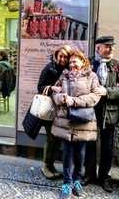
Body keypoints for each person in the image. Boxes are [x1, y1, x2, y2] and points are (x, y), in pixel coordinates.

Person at [52, 50, 106, 199]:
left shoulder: (91, 76)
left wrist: (74, 101)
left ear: (83, 61)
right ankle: (67, 183)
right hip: (66, 120)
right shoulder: (64, 75)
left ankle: (77, 180)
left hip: (83, 120)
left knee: (80, 154)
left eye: (75, 61)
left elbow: (95, 96)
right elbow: (54, 93)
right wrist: (60, 98)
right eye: (70, 62)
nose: (72, 64)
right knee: (67, 153)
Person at [84, 35, 119, 192]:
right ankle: (89, 174)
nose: (110, 49)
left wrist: (106, 91)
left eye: (112, 46)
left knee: (108, 146)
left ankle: (104, 177)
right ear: (98, 48)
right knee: (89, 143)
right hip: (90, 110)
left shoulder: (118, 66)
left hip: (110, 111)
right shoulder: (87, 63)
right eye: (107, 46)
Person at [37, 45, 73, 179]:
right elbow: (40, 86)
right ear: (56, 56)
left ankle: (51, 165)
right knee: (51, 137)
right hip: (51, 109)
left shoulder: (69, 69)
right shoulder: (49, 68)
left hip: (63, 110)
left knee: (57, 138)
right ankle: (46, 165)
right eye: (60, 56)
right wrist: (52, 88)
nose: (62, 59)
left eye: (65, 57)